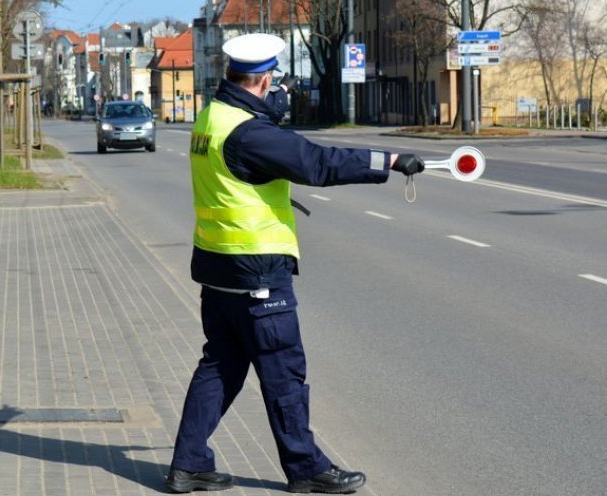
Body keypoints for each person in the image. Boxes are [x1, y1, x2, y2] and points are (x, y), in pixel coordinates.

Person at [165, 33, 424, 494]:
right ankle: (306, 469)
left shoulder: (212, 117)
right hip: (257, 274)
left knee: (220, 365)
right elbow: (317, 163)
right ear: (263, 81)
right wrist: (391, 158)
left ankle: (188, 463)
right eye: (276, 83)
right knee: (283, 372)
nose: (281, 91)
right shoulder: (249, 133)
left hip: (217, 269)